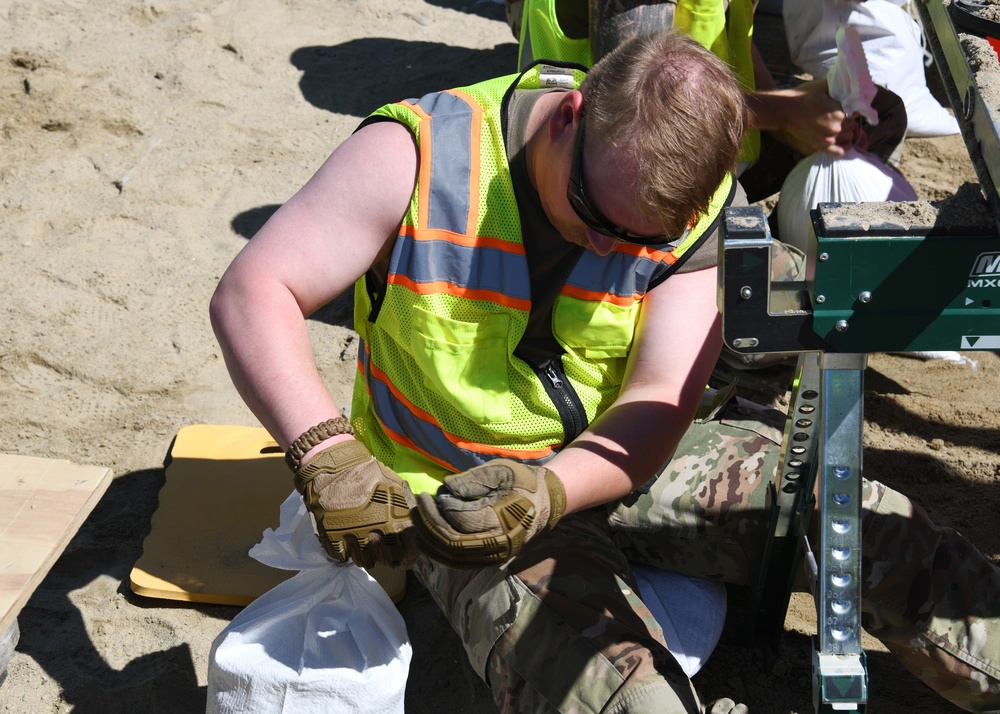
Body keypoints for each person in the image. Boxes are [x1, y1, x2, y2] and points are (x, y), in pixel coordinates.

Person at [210, 29, 1000, 713]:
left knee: (872, 530)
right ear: (572, 113)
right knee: (616, 693)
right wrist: (326, 452)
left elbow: (657, 399)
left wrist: (554, 489)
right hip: (457, 497)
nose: (607, 252)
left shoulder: (690, 209)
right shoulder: (422, 156)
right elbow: (255, 291)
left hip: (612, 460)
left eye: (639, 241)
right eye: (593, 217)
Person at [511, 0, 908, 202]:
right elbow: (641, 110)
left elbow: (726, 27)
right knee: (749, 270)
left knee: (879, 117)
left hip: (696, 127)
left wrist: (782, 101)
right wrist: (784, 114)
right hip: (600, 166)